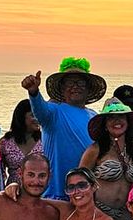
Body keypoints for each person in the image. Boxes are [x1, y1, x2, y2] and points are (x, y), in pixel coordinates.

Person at [21, 57, 106, 200]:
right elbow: (40, 110)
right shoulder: (54, 112)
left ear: (88, 88)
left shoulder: (94, 116)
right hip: (56, 193)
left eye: (80, 83)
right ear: (61, 88)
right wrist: (34, 92)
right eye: (69, 83)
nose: (75, 86)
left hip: (86, 193)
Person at [79, 101, 133, 220]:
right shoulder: (94, 150)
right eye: (111, 117)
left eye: (121, 116)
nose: (117, 121)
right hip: (98, 212)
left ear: (128, 122)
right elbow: (80, 183)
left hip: (127, 212)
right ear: (105, 124)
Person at [0, 99, 43, 185]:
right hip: (13, 193)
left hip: (40, 190)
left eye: (39, 115)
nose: (38, 119)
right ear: (21, 117)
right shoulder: (5, 142)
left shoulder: (45, 140)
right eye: (33, 115)